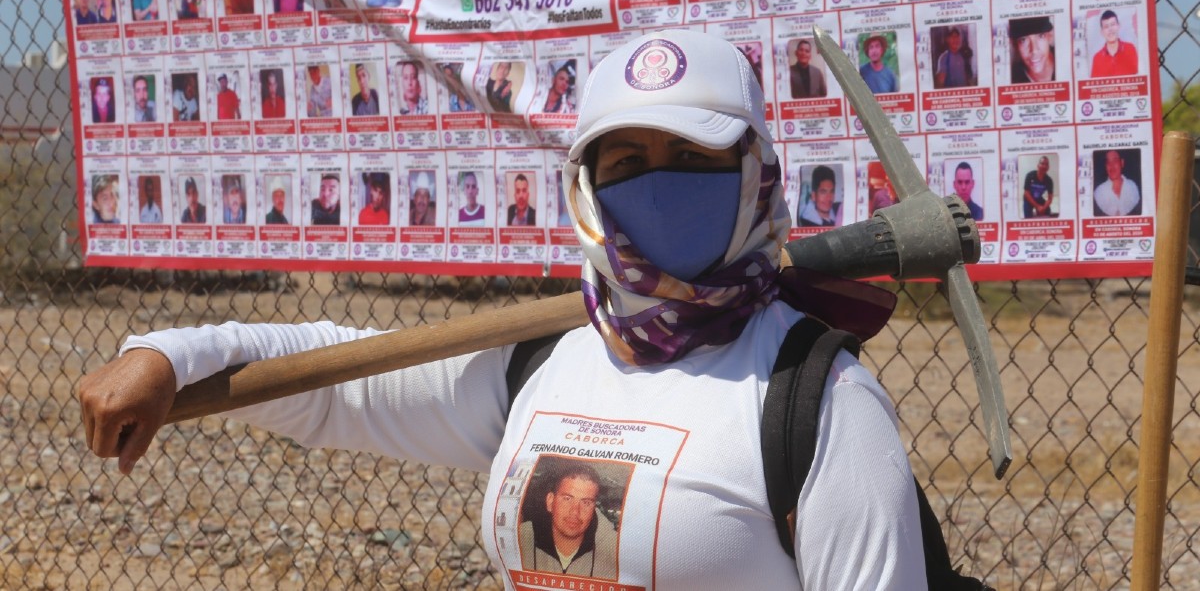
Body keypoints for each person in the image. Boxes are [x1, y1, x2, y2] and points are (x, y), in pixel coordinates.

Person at [78, 30, 924, 588]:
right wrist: (168, 354)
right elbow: (334, 382)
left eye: (693, 155)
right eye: (627, 159)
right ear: (588, 189)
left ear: (754, 173)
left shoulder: (819, 403)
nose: (660, 181)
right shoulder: (543, 361)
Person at [518, 460, 618, 577]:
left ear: (594, 508)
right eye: (567, 498)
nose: (575, 512)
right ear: (550, 501)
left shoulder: (615, 549)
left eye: (586, 502)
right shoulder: (521, 538)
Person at [1090, 10, 1138, 78]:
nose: (1110, 29)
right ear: (1102, 32)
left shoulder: (1130, 49)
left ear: (1118, 26)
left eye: (1113, 24)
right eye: (1106, 27)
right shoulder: (1097, 58)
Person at [1093, 150, 1141, 216]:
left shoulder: (1132, 187)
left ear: (1122, 163)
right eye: (1108, 162)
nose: (1111, 166)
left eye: (1115, 161)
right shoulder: (1099, 192)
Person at [1009, 16, 1055, 84]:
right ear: (1015, 45)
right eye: (1023, 40)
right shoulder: (1013, 79)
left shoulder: (1066, 61)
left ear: (1050, 36)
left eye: (1040, 36)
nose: (1034, 50)